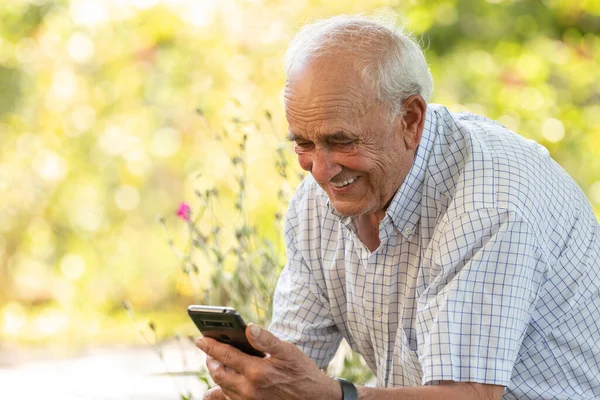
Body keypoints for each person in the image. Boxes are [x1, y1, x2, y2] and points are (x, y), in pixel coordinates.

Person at [195, 15, 600, 400]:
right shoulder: (318, 202)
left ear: (410, 118)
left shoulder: (490, 204)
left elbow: (470, 396)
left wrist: (337, 396)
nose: (319, 170)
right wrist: (260, 385)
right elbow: (295, 361)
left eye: (342, 141)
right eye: (303, 143)